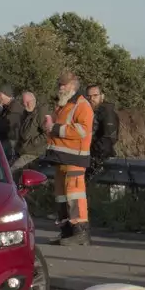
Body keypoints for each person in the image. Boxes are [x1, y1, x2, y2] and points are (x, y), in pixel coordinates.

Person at [42, 69, 95, 246]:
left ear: (72, 86)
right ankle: (66, 232)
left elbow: (82, 130)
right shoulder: (64, 104)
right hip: (61, 158)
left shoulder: (82, 105)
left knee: (75, 195)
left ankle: (80, 232)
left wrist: (54, 128)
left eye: (62, 84)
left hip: (74, 159)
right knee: (62, 196)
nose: (60, 87)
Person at [89, 84, 120, 181]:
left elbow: (109, 139)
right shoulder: (89, 113)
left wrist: (93, 156)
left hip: (102, 162)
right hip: (91, 160)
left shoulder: (107, 113)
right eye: (89, 96)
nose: (91, 99)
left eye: (95, 95)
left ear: (102, 96)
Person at [10, 90, 47, 173]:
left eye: (28, 102)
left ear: (34, 100)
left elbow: (47, 134)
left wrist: (33, 142)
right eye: (24, 103)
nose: (26, 105)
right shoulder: (25, 113)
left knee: (13, 171)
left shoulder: (41, 112)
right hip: (22, 150)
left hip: (33, 152)